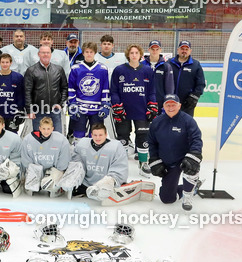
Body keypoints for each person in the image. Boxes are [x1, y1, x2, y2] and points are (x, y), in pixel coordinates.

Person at [147, 94, 203, 210]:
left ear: (179, 106)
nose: (171, 107)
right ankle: (193, 186)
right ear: (163, 106)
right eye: (168, 105)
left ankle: (189, 191)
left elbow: (196, 139)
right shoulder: (156, 122)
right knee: (167, 199)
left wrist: (193, 156)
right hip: (169, 162)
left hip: (185, 160)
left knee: (191, 166)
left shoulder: (188, 120)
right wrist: (154, 160)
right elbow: (152, 144)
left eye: (173, 105)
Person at [111, 44, 158, 174]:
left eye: (136, 53)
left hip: (142, 110)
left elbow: (152, 91)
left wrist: (152, 105)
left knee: (143, 136)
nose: (134, 55)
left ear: (140, 55)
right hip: (123, 110)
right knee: (122, 137)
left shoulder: (147, 70)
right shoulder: (119, 70)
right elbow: (114, 91)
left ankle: (143, 163)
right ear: (128, 55)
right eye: (131, 53)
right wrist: (117, 105)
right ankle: (122, 165)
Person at [71, 123, 132, 201]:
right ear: (91, 135)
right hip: (86, 183)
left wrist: (111, 180)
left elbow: (120, 168)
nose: (98, 138)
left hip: (106, 183)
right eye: (95, 135)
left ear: (106, 135)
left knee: (109, 184)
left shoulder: (116, 147)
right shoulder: (82, 145)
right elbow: (75, 162)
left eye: (100, 135)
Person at [19, 115, 77, 197]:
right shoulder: (28, 139)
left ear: (53, 129)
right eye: (44, 128)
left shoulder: (61, 140)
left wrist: (59, 170)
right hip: (35, 171)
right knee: (32, 186)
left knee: (53, 186)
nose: (46, 131)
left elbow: (64, 160)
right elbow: (25, 159)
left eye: (48, 129)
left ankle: (55, 185)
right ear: (39, 128)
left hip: (52, 171)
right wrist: (31, 170)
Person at [68, 41, 110, 140]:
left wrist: (105, 105)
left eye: (91, 52)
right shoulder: (75, 68)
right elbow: (71, 88)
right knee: (78, 135)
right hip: (80, 107)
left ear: (95, 52)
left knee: (96, 135)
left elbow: (105, 89)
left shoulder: (102, 69)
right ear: (83, 53)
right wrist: (72, 104)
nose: (89, 54)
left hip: (96, 109)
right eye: (87, 52)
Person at [24, 44, 68, 135]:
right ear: (38, 54)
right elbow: (27, 92)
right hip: (38, 110)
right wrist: (30, 110)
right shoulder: (31, 70)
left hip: (55, 111)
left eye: (48, 52)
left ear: (51, 54)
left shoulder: (59, 69)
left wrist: (60, 104)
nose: (45, 55)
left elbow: (64, 88)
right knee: (39, 137)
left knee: (57, 137)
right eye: (43, 52)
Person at [155, 40, 205, 117]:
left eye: (186, 49)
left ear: (190, 51)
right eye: (182, 49)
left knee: (186, 123)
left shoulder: (195, 65)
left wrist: (194, 96)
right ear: (178, 50)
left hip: (186, 103)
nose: (184, 51)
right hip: (170, 102)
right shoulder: (169, 63)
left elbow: (200, 83)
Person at [0, 53, 25, 133]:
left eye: (7, 62)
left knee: (12, 137)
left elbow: (21, 96)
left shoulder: (18, 77)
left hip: (12, 115)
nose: (5, 64)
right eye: (3, 62)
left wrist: (20, 112)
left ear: (11, 63)